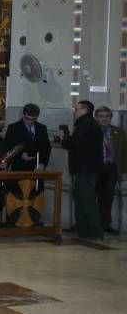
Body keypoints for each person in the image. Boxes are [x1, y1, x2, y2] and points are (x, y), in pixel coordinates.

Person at [62, 100, 104, 240]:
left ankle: (95, 231)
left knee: (86, 200)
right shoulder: (86, 124)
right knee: (80, 200)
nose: (74, 110)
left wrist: (66, 139)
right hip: (83, 169)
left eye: (76, 108)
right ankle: (83, 231)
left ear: (84, 110)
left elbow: (76, 143)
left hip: (86, 169)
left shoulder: (87, 124)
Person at [94, 106, 125, 235]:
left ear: (111, 117)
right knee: (89, 197)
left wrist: (124, 170)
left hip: (111, 168)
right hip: (94, 168)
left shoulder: (118, 132)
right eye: (101, 116)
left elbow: (124, 153)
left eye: (107, 116)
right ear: (96, 118)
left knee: (107, 198)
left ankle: (105, 224)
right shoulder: (92, 131)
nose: (104, 119)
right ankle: (87, 223)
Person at [5, 103, 51, 172]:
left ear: (37, 117)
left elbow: (46, 148)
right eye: (27, 119)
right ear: (23, 115)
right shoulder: (13, 128)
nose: (30, 122)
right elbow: (8, 148)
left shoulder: (42, 128)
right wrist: (20, 155)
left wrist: (42, 164)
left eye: (33, 119)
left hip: (37, 168)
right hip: (19, 168)